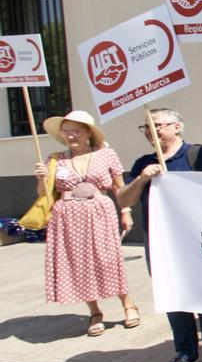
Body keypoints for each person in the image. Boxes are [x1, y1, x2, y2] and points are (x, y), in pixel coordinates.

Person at [116, 109, 202, 362]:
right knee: (173, 297)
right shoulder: (144, 162)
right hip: (160, 243)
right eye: (146, 127)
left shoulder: (198, 155)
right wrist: (142, 178)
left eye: (157, 126)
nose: (151, 132)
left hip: (197, 240)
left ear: (177, 127)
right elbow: (123, 200)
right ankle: (186, 352)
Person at [36, 110, 137, 337]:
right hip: (67, 215)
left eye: (76, 131)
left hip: (99, 210)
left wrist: (126, 211)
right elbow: (43, 194)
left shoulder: (106, 154)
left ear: (88, 133)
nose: (70, 136)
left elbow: (118, 187)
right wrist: (42, 178)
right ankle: (94, 312)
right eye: (66, 132)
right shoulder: (55, 160)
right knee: (79, 264)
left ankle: (128, 304)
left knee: (108, 259)